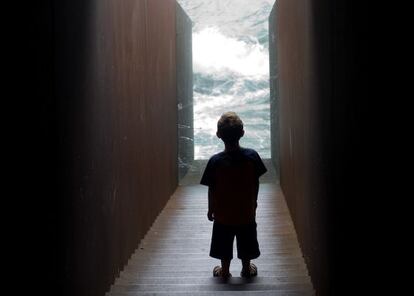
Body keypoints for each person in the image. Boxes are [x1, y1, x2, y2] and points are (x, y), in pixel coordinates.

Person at [200, 111, 267, 278]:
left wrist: (211, 209)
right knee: (247, 239)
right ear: (242, 133)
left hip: (223, 214)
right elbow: (255, 182)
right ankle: (246, 268)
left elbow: (212, 188)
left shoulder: (215, 161)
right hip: (246, 211)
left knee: (223, 242)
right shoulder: (252, 157)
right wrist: (254, 202)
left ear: (218, 135)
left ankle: (224, 270)